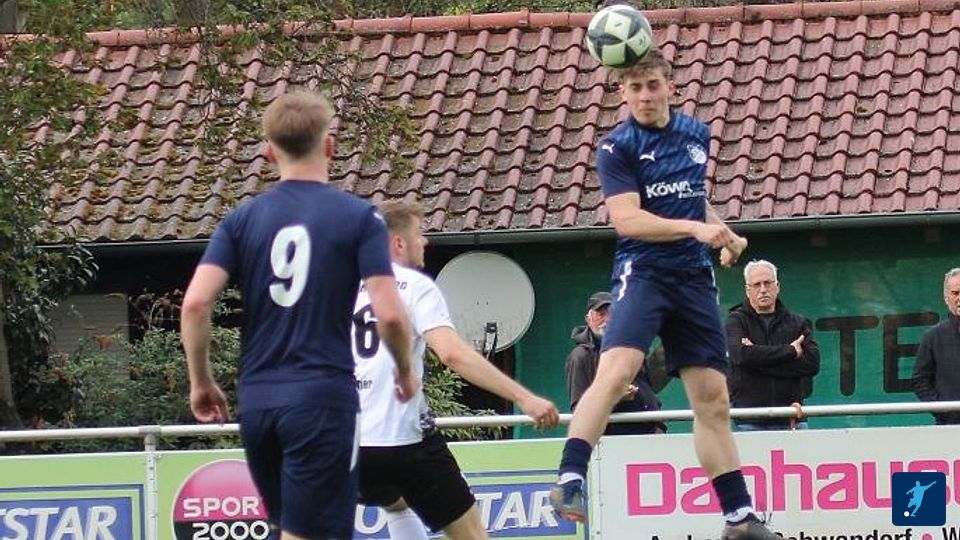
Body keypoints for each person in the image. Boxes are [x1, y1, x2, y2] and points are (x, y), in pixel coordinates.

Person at [548, 48, 780, 540]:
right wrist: (694, 230)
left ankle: (739, 517)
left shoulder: (696, 134)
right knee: (616, 373)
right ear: (622, 93)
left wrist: (723, 232)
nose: (645, 96)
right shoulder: (617, 148)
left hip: (693, 280)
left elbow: (692, 198)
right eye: (634, 87)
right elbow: (627, 219)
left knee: (713, 400)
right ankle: (570, 477)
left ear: (670, 86)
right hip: (644, 274)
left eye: (652, 85)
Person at [180, 91, 417, 540]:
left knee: (290, 528)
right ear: (329, 145)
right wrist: (404, 369)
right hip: (321, 399)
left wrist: (201, 380)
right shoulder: (359, 218)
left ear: (269, 152)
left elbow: (195, 303)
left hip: (258, 400)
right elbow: (389, 315)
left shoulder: (240, 220)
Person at [354, 200, 560, 540]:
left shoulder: (342, 288)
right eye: (419, 234)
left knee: (395, 502)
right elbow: (451, 353)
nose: (425, 241)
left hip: (348, 441)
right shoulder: (414, 286)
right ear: (398, 243)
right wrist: (524, 397)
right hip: (404, 439)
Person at [725, 260, 820, 431]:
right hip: (749, 420)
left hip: (792, 418)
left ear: (777, 287)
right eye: (757, 285)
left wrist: (755, 360)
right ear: (747, 290)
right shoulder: (736, 321)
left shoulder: (797, 322)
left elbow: (812, 364)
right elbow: (740, 356)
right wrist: (791, 351)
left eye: (767, 283)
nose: (763, 289)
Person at [566, 291, 666, 434]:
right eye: (601, 314)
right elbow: (579, 411)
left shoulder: (631, 348)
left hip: (652, 432)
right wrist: (614, 397)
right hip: (613, 439)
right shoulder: (581, 356)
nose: (607, 320)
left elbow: (648, 389)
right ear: (588, 319)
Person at [913, 267, 960, 425]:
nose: (959, 298)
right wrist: (942, 410)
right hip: (949, 427)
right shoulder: (933, 337)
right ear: (946, 298)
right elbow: (920, 380)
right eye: (955, 293)